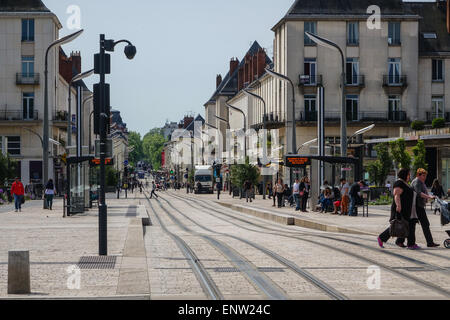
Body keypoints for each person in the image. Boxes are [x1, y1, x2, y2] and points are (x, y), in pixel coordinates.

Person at [377, 168, 419, 249]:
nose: (409, 176)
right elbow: (396, 195)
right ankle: (382, 237)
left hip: (407, 209)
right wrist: (398, 206)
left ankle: (407, 243)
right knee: (397, 225)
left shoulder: (405, 183)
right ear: (404, 175)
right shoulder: (399, 183)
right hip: (400, 208)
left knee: (406, 225)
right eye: (408, 174)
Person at [409, 169, 439, 248]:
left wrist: (429, 197)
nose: (425, 177)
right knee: (423, 224)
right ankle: (430, 242)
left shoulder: (420, 182)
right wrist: (429, 197)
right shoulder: (417, 181)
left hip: (418, 205)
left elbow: (423, 192)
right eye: (423, 175)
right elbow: (419, 193)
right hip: (416, 206)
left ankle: (400, 241)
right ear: (418, 175)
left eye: (425, 175)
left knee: (412, 224)